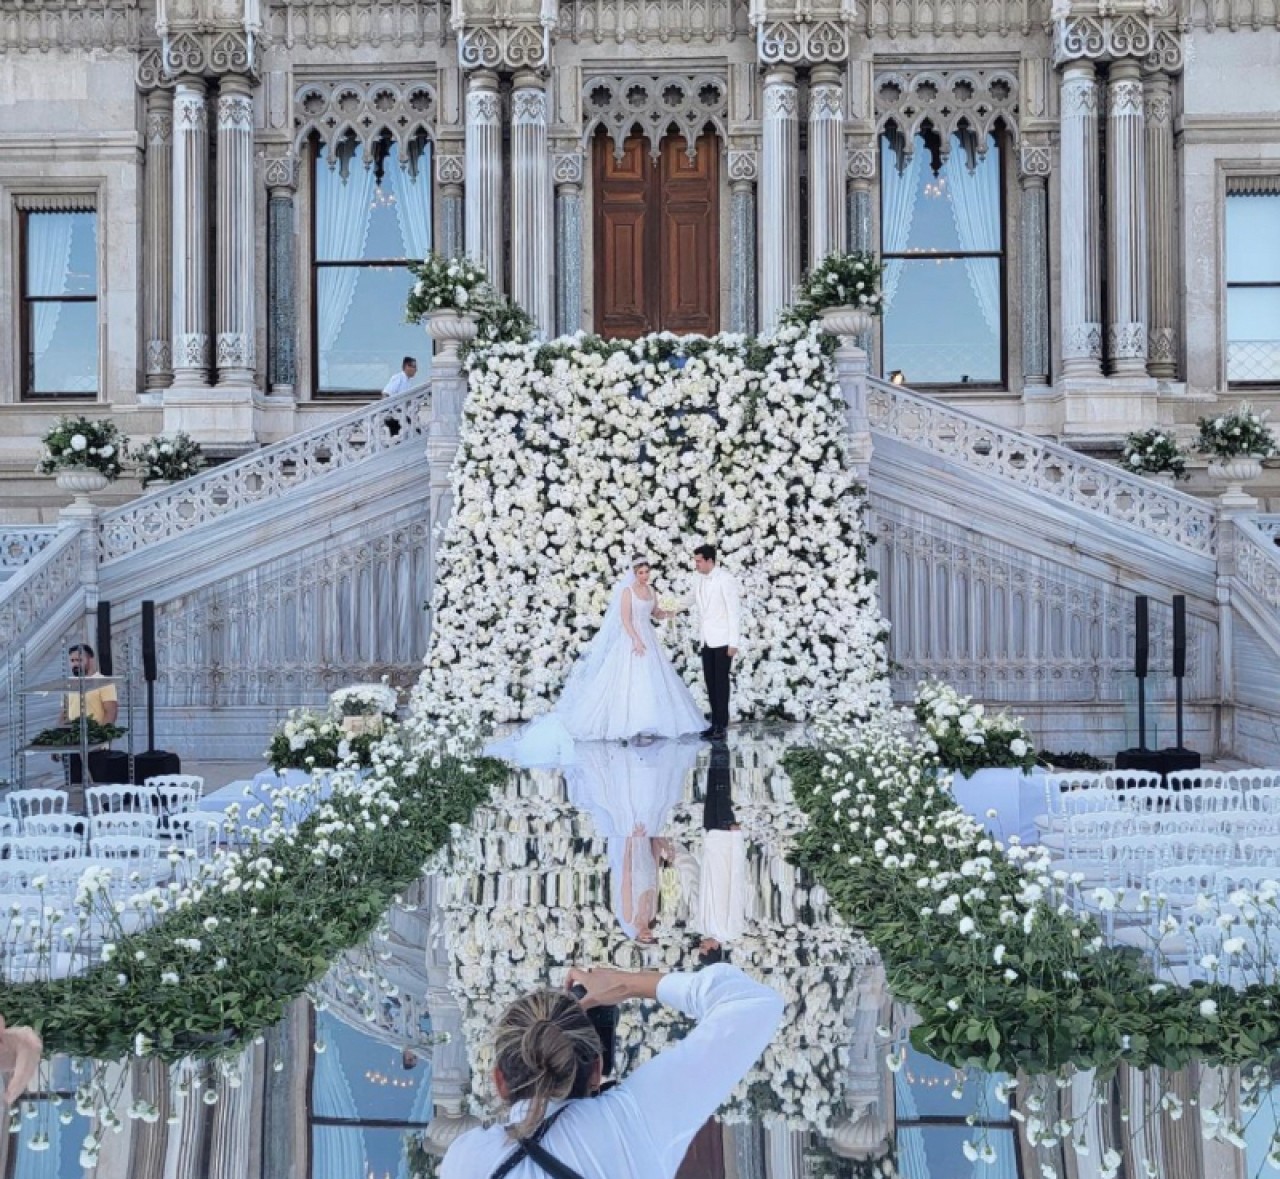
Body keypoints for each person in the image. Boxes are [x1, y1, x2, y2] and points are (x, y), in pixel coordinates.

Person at [441, 962, 783, 1179]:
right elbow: (752, 1004)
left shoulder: (465, 1162)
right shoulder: (630, 1121)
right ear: (597, 1069)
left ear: (499, 1080)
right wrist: (627, 984)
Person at [487, 556, 705, 761]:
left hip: (649, 637)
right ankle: (633, 724)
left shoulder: (651, 590)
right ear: (634, 573)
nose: (645, 576)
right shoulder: (628, 592)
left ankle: (652, 722)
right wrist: (636, 640)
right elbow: (625, 619)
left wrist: (669, 612)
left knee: (652, 678)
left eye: (647, 572)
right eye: (641, 572)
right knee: (630, 680)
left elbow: (655, 612)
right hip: (632, 639)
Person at [690, 545, 741, 741]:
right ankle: (714, 724)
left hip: (722, 641)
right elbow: (690, 599)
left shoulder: (725, 579)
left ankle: (722, 725)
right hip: (706, 640)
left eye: (699, 561)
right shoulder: (699, 580)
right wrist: (670, 609)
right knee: (710, 683)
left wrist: (733, 642)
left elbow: (733, 611)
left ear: (709, 560)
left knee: (721, 684)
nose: (696, 564)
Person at [61, 644, 118, 728]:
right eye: (72, 661)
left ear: (90, 660)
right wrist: (59, 730)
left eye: (79, 660)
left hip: (95, 732)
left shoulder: (104, 682)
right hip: (73, 733)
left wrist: (101, 733)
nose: (75, 664)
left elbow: (111, 712)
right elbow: (64, 712)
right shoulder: (69, 684)